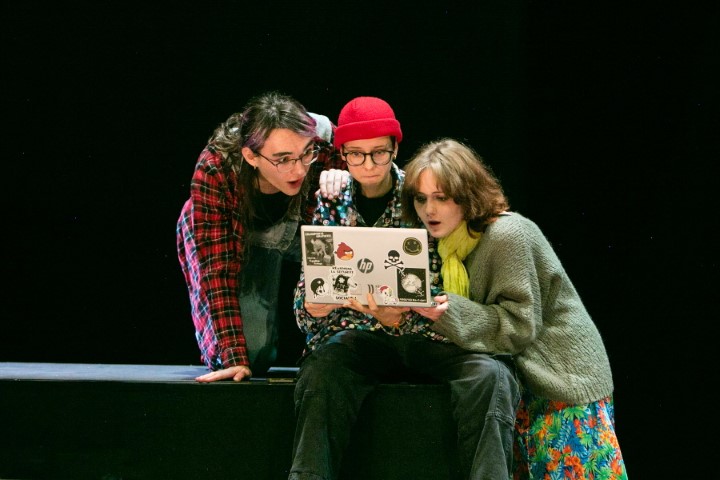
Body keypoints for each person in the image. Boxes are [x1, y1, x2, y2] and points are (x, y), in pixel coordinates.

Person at [288, 97, 520, 480]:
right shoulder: (331, 200)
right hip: (359, 335)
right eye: (356, 154)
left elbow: (441, 284)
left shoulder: (421, 193)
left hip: (427, 334)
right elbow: (307, 292)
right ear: (342, 154)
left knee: (490, 375)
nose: (368, 165)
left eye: (379, 153)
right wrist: (313, 306)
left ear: (395, 148)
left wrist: (401, 317)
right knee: (322, 372)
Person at [399, 138, 628, 479]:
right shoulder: (447, 246)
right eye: (421, 198)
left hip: (561, 384)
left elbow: (519, 326)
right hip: (523, 387)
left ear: (467, 195)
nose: (429, 210)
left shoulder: (506, 234)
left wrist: (450, 312)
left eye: (441, 197)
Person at [176, 91, 346, 383]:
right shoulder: (217, 166)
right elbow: (217, 271)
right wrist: (233, 356)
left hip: (297, 228)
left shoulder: (324, 140)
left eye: (306, 153)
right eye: (283, 160)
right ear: (251, 156)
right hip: (234, 236)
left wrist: (348, 177)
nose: (299, 169)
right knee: (252, 356)